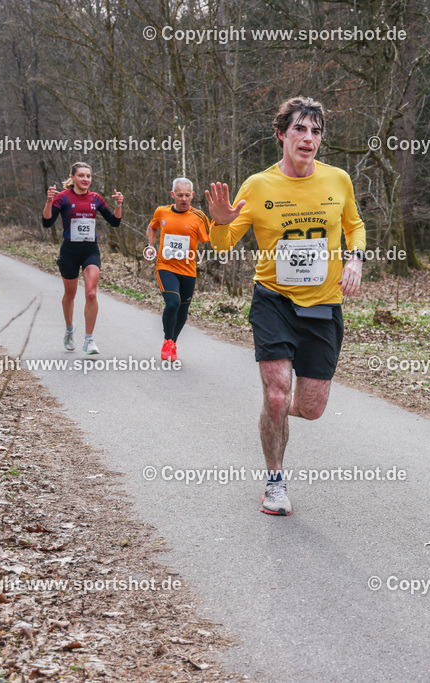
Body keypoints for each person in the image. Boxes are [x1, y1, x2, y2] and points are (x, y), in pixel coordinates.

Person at [207, 96, 367, 516]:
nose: (308, 138)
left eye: (316, 131)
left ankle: (279, 410)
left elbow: (356, 225)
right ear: (281, 134)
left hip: (323, 306)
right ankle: (275, 482)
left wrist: (355, 258)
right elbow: (223, 245)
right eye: (300, 129)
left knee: (310, 408)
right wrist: (220, 222)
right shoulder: (258, 186)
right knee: (277, 396)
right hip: (274, 301)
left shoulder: (338, 180)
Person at [42, 162, 123, 354]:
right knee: (70, 295)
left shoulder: (96, 198)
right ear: (73, 177)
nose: (85, 179)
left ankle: (89, 340)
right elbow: (47, 222)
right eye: (81, 176)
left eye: (88, 176)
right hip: (69, 252)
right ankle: (70, 330)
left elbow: (115, 222)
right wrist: (48, 201)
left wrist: (119, 204)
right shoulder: (62, 198)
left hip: (90, 251)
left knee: (91, 293)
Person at [145, 177, 212, 362]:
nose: (184, 199)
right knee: (173, 303)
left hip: (188, 271)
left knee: (183, 309)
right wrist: (150, 245)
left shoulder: (199, 217)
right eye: (180, 195)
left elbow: (210, 239)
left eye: (187, 195)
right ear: (173, 195)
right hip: (165, 266)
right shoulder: (162, 212)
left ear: (193, 196)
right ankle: (167, 340)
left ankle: (173, 342)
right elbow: (152, 228)